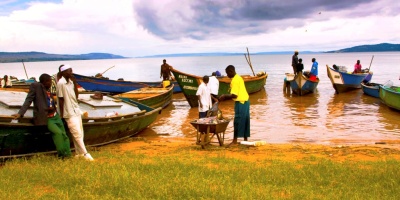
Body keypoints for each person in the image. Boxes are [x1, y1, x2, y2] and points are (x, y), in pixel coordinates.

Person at [12, 74, 72, 158]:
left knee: (64, 135)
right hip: (47, 118)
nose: (51, 83)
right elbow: (28, 100)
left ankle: (68, 154)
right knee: (58, 133)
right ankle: (62, 155)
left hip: (55, 116)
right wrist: (20, 113)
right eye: (49, 81)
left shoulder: (48, 90)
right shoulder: (36, 87)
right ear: (44, 82)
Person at [57, 64, 94, 161]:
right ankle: (86, 154)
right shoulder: (61, 83)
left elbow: (76, 96)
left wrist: (75, 83)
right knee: (76, 133)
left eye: (71, 70)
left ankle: (79, 153)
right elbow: (61, 100)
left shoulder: (70, 82)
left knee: (80, 133)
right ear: (63, 72)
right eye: (69, 71)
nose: (71, 72)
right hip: (68, 112)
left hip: (76, 110)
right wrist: (61, 114)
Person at [219, 65, 250, 146]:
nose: (227, 75)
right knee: (245, 120)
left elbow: (234, 95)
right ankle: (245, 139)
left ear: (231, 72)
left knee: (237, 121)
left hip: (240, 102)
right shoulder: (239, 77)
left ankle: (234, 141)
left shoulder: (235, 80)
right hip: (246, 102)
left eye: (227, 73)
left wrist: (224, 96)